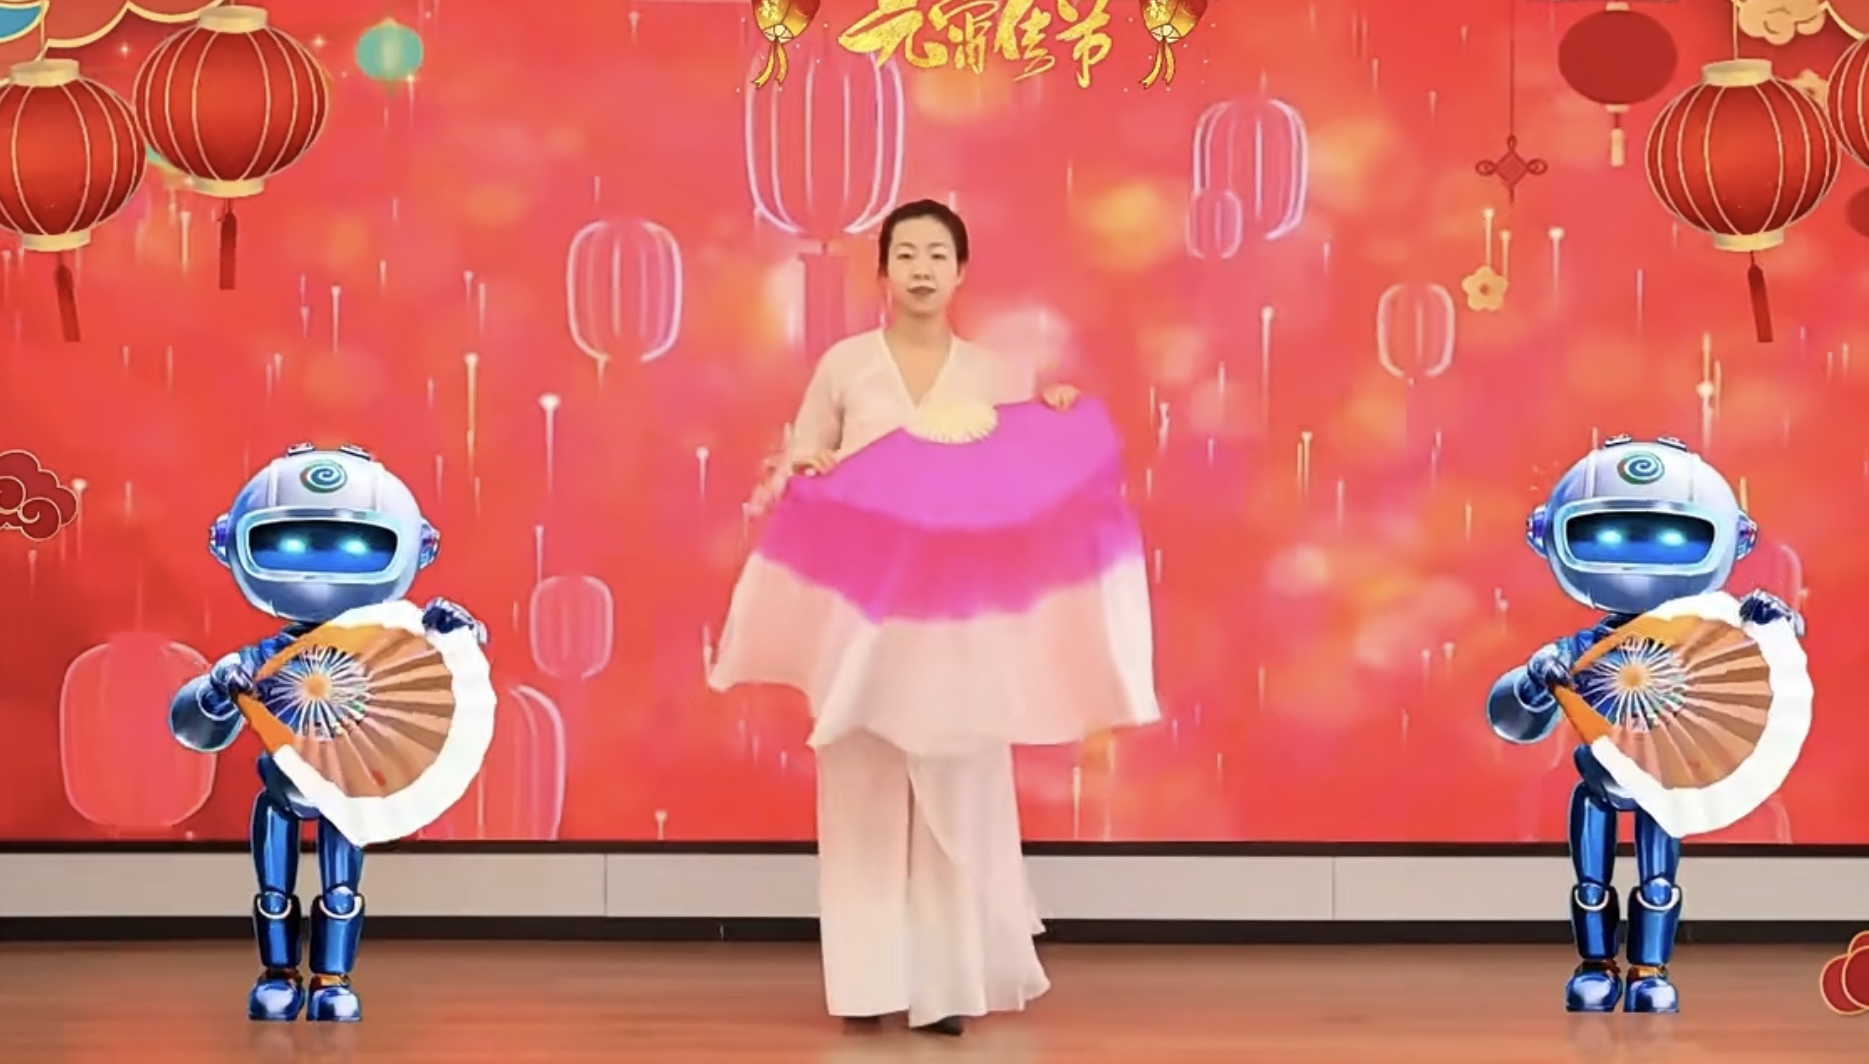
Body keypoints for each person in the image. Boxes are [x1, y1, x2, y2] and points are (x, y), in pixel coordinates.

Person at [761, 200, 1080, 1037]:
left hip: (957, 617)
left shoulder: (996, 375)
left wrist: (1057, 423)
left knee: (957, 788)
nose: (922, 268)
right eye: (905, 254)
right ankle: (867, 982)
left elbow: (1023, 492)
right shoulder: (844, 365)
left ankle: (946, 985)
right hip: (860, 611)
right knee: (862, 790)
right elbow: (796, 462)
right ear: (883, 270)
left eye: (938, 254)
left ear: (961, 270)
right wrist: (808, 467)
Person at [166, 443, 487, 1023]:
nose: (318, 565)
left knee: (341, 891)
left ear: (420, 547)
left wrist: (453, 636)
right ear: (228, 543)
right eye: (285, 544)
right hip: (280, 791)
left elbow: (444, 683)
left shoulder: (391, 650)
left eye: (362, 546)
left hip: (348, 791)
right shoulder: (260, 660)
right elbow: (197, 728)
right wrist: (217, 688)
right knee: (273, 889)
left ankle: (333, 978)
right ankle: (279, 974)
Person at [1484, 435, 1802, 1014]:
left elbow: (1764, 670)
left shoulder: (1706, 641)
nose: (1635, 555)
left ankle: (1650, 969)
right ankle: (1597, 965)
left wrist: (1772, 624)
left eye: (1679, 537)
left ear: (1737, 538)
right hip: (1598, 782)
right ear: (1546, 534)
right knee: (1591, 882)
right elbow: (1516, 719)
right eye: (1603, 535)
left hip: (1664, 780)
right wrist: (1535, 678)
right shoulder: (1579, 650)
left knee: (1658, 884)